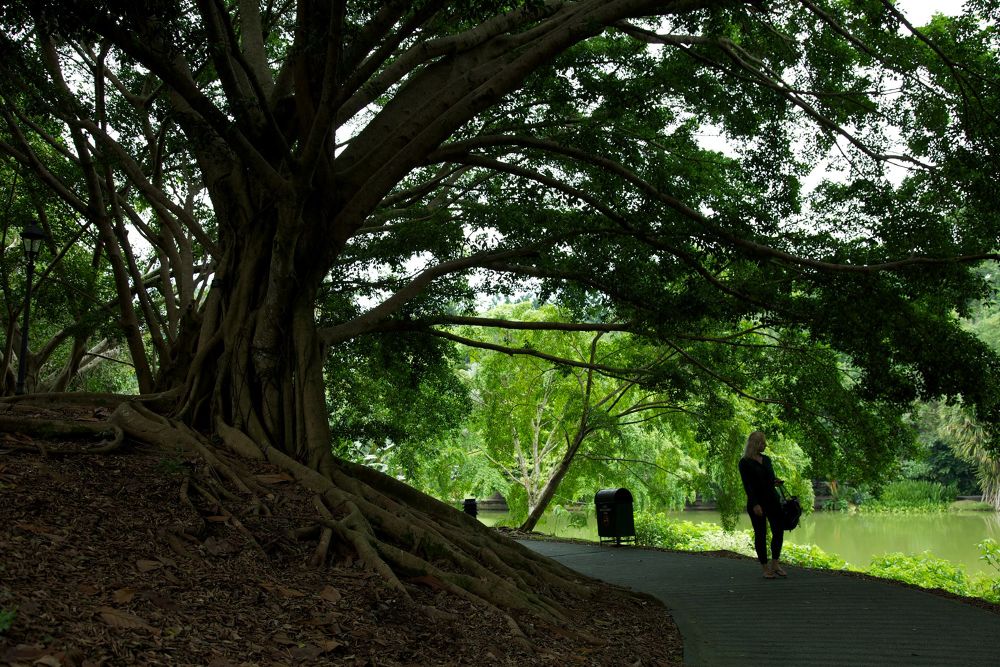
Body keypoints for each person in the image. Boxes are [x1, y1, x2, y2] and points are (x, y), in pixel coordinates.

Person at [738, 431, 786, 578]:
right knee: (761, 534)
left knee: (778, 531)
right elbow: (748, 486)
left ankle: (775, 563)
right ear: (755, 444)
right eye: (763, 442)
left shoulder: (767, 460)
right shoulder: (744, 463)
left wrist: (775, 482)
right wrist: (755, 504)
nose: (765, 445)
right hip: (757, 503)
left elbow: (768, 479)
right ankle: (765, 568)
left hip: (773, 500)